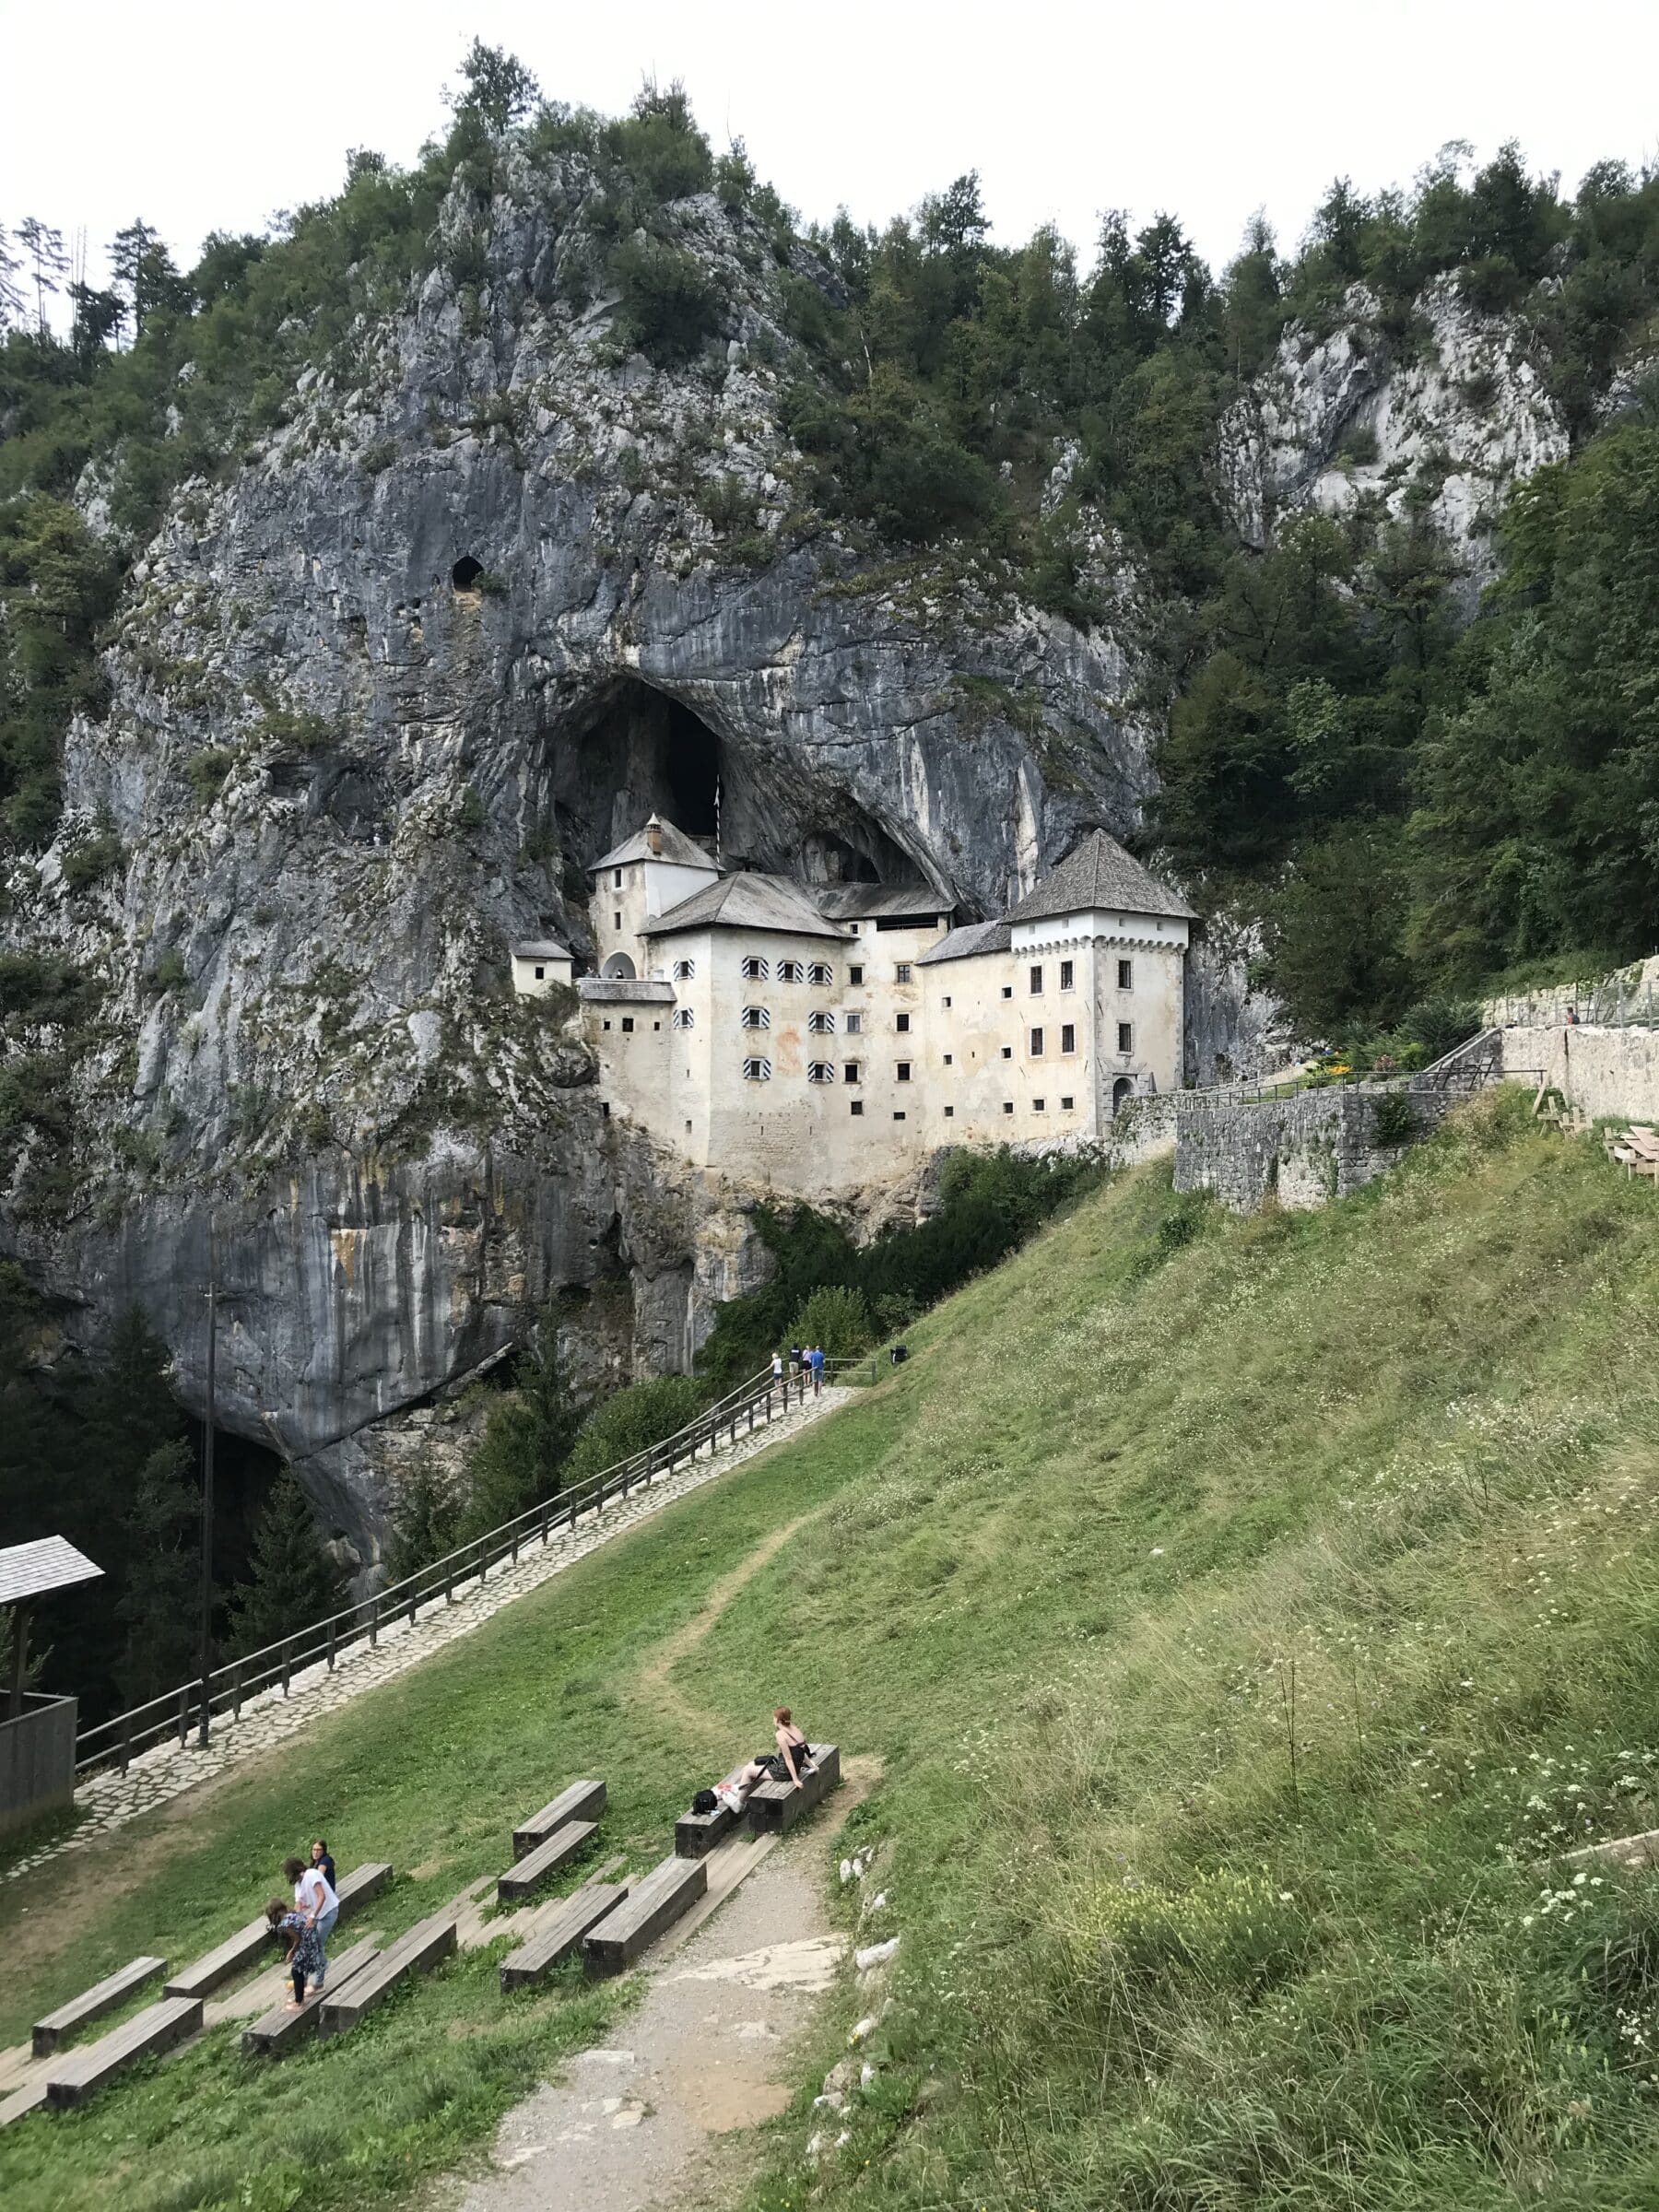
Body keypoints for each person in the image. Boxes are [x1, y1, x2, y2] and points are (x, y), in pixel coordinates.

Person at [286, 1853, 339, 1989]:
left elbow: (322, 1896)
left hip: (328, 1912)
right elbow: (299, 1904)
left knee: (316, 1944)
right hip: (316, 1916)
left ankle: (320, 1978)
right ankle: (303, 1980)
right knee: (307, 1943)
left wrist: (312, 1915)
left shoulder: (311, 1874)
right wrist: (293, 1921)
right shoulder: (298, 1884)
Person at [266, 1898, 324, 2010]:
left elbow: (297, 1939)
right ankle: (305, 1992)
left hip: (306, 1943)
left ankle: (299, 2002)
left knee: (296, 1971)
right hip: (313, 1938)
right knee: (300, 1969)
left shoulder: (284, 1924)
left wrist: (292, 1951)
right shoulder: (292, 1914)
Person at [772, 1707, 813, 1788]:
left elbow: (788, 1759)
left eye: (775, 1717)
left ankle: (740, 1799)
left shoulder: (780, 1734)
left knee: (748, 1770)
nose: (773, 1719)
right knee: (753, 1765)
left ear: (779, 1720)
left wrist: (795, 1780)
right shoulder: (794, 1728)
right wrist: (812, 1765)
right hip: (796, 1767)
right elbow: (801, 1749)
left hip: (785, 1771)